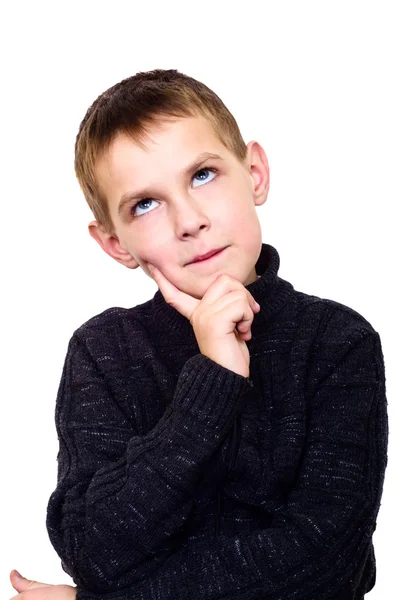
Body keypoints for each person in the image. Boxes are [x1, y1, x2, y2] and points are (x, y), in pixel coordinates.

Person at [9, 68, 388, 600]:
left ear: (254, 173)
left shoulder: (337, 342)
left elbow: (325, 561)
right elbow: (92, 549)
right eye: (146, 204)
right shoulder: (104, 352)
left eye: (203, 175)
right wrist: (212, 380)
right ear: (116, 245)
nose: (188, 220)